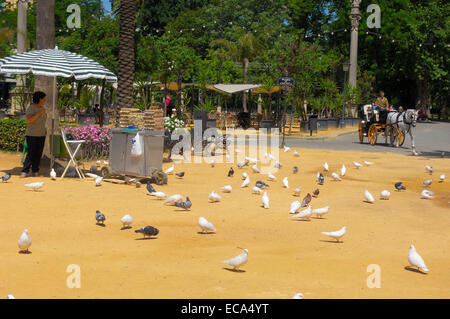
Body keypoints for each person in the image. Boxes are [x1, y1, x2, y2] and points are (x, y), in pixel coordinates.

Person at [21, 91, 47, 177]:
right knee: (31, 153)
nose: (44, 100)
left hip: (41, 134)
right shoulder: (31, 108)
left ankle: (35, 170)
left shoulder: (43, 108)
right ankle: (25, 170)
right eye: (43, 98)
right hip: (32, 135)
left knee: (38, 153)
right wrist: (39, 114)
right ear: (39, 99)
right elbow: (29, 120)